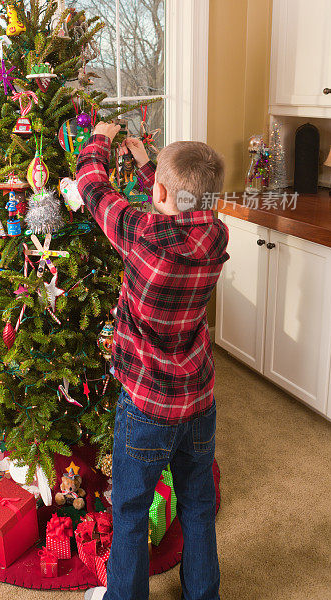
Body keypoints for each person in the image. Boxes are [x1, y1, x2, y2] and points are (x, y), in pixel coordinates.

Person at [76, 123, 229, 600]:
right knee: (198, 503)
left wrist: (99, 137)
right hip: (199, 400)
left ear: (160, 193)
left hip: (146, 407)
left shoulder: (141, 235)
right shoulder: (215, 233)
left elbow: (91, 185)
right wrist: (147, 163)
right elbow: (183, 204)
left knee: (130, 509)